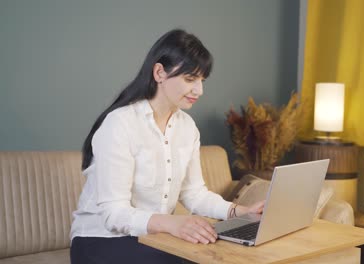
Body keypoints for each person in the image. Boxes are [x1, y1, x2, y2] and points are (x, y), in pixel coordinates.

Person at [70, 29, 264, 264]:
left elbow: (194, 194)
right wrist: (173, 223)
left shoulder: (187, 127)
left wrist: (241, 212)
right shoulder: (120, 123)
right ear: (159, 72)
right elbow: (114, 214)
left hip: (154, 237)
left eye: (202, 80)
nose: (199, 90)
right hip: (100, 240)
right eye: (190, 79)